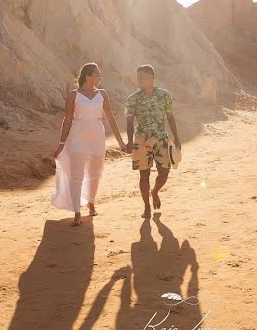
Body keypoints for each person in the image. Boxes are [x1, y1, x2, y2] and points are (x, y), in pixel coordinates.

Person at [51, 62, 126, 226]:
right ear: (88, 76)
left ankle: (91, 202)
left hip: (97, 137)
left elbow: (110, 118)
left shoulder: (103, 94)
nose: (100, 77)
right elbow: (68, 120)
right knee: (76, 174)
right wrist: (61, 144)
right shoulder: (73, 95)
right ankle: (77, 212)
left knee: (95, 173)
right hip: (77, 136)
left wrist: (121, 142)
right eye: (97, 74)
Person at [124, 64, 182, 218]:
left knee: (164, 172)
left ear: (151, 78)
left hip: (161, 139)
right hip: (141, 141)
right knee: (144, 175)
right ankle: (146, 207)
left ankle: (155, 191)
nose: (139, 81)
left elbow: (170, 117)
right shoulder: (133, 99)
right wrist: (129, 141)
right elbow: (129, 122)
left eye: (142, 78)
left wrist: (176, 137)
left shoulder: (164, 95)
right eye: (138, 78)